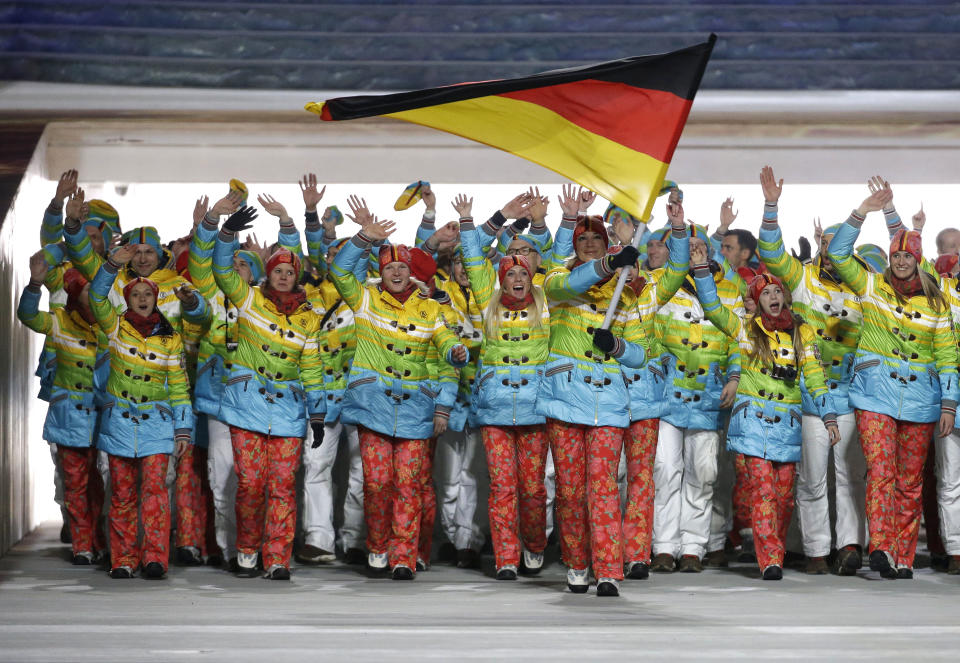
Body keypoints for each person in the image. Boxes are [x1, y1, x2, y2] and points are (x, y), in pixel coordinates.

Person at [827, 181, 959, 579]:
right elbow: (836, 252)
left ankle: (903, 556)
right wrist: (862, 211)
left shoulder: (936, 301)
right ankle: (881, 547)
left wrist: (949, 403)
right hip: (875, 397)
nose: (901, 261)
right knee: (881, 471)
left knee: (910, 481)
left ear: (919, 259)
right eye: (896, 254)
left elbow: (948, 355)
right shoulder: (870, 284)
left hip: (921, 399)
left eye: (908, 255)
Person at [692, 231, 840, 579]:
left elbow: (815, 376)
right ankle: (769, 558)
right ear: (755, 300)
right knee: (762, 491)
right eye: (765, 293)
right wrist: (700, 267)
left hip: (787, 426)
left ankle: (775, 544)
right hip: (753, 424)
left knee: (785, 495)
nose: (773, 296)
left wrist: (828, 416)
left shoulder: (803, 332)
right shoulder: (743, 328)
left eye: (777, 291)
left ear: (785, 297)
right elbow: (713, 306)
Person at [329, 216, 468, 580]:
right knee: (377, 484)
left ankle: (403, 556)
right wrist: (362, 238)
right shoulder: (364, 297)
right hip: (372, 406)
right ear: (381, 270)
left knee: (407, 484)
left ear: (411, 271)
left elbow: (446, 338)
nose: (395, 272)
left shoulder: (430, 306)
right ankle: (377, 547)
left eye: (402, 266)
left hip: (414, 410)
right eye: (389, 266)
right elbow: (341, 271)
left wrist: (456, 351)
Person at [755, 166, 868, 575]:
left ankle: (850, 546)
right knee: (814, 476)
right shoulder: (801, 280)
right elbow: (770, 253)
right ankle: (817, 549)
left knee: (849, 476)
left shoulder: (863, 293)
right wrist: (771, 207)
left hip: (849, 397)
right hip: (806, 398)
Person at [538, 192, 649, 597]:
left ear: (606, 243)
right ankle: (577, 563)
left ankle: (607, 569)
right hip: (565, 401)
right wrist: (608, 265)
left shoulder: (625, 293)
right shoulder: (557, 279)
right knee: (569, 491)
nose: (589, 244)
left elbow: (641, 354)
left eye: (597, 240)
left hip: (608, 406)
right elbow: (570, 283)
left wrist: (616, 347)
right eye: (582, 240)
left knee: (602, 487)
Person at [210, 206, 326, 580]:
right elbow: (222, 271)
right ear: (268, 273)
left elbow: (311, 366)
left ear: (297, 278)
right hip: (246, 407)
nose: (283, 276)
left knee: (281, 486)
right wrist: (226, 233)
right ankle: (246, 550)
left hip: (289, 413)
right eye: (277, 270)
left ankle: (277, 557)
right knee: (251, 484)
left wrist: (317, 413)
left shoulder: (309, 317)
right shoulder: (248, 299)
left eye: (290, 272)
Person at [88, 243, 197, 579]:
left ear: (154, 298)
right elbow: (96, 298)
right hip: (119, 424)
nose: (141, 298)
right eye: (135, 294)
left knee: (154, 493)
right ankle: (122, 558)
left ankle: (154, 559)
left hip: (157, 428)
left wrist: (183, 430)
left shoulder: (171, 339)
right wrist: (109, 265)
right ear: (128, 298)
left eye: (146, 294)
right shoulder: (115, 326)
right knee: (121, 493)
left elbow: (179, 387)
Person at [456, 193, 550, 580]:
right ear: (500, 279)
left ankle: (535, 545)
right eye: (510, 273)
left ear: (533, 276)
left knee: (533, 489)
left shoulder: (549, 303)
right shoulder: (488, 299)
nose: (516, 278)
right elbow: (474, 253)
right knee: (503, 487)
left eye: (522, 273)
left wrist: (556, 221)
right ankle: (506, 557)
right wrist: (489, 219)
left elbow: (560, 258)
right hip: (495, 409)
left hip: (535, 409)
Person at [652, 214, 742, 574]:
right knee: (664, 469)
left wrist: (734, 377)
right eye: (686, 247)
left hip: (708, 396)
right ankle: (663, 546)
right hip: (667, 395)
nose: (693, 252)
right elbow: (649, 332)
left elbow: (739, 338)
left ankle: (693, 547)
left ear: (709, 249)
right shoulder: (660, 284)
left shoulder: (730, 289)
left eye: (698, 246)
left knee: (703, 472)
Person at [18, 257, 107, 565]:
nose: (93, 300)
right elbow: (27, 315)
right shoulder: (58, 320)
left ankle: (101, 541)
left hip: (102, 421)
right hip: (68, 418)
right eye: (86, 294)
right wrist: (35, 284)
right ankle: (83, 545)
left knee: (102, 487)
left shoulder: (113, 324)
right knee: (75, 486)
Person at [619, 207, 690, 580]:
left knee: (642, 477)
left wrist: (678, 227)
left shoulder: (649, 295)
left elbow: (678, 268)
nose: (628, 271)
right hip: (604, 402)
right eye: (621, 263)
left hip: (645, 402)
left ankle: (635, 554)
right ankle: (602, 549)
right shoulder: (595, 298)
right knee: (604, 481)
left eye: (633, 265)